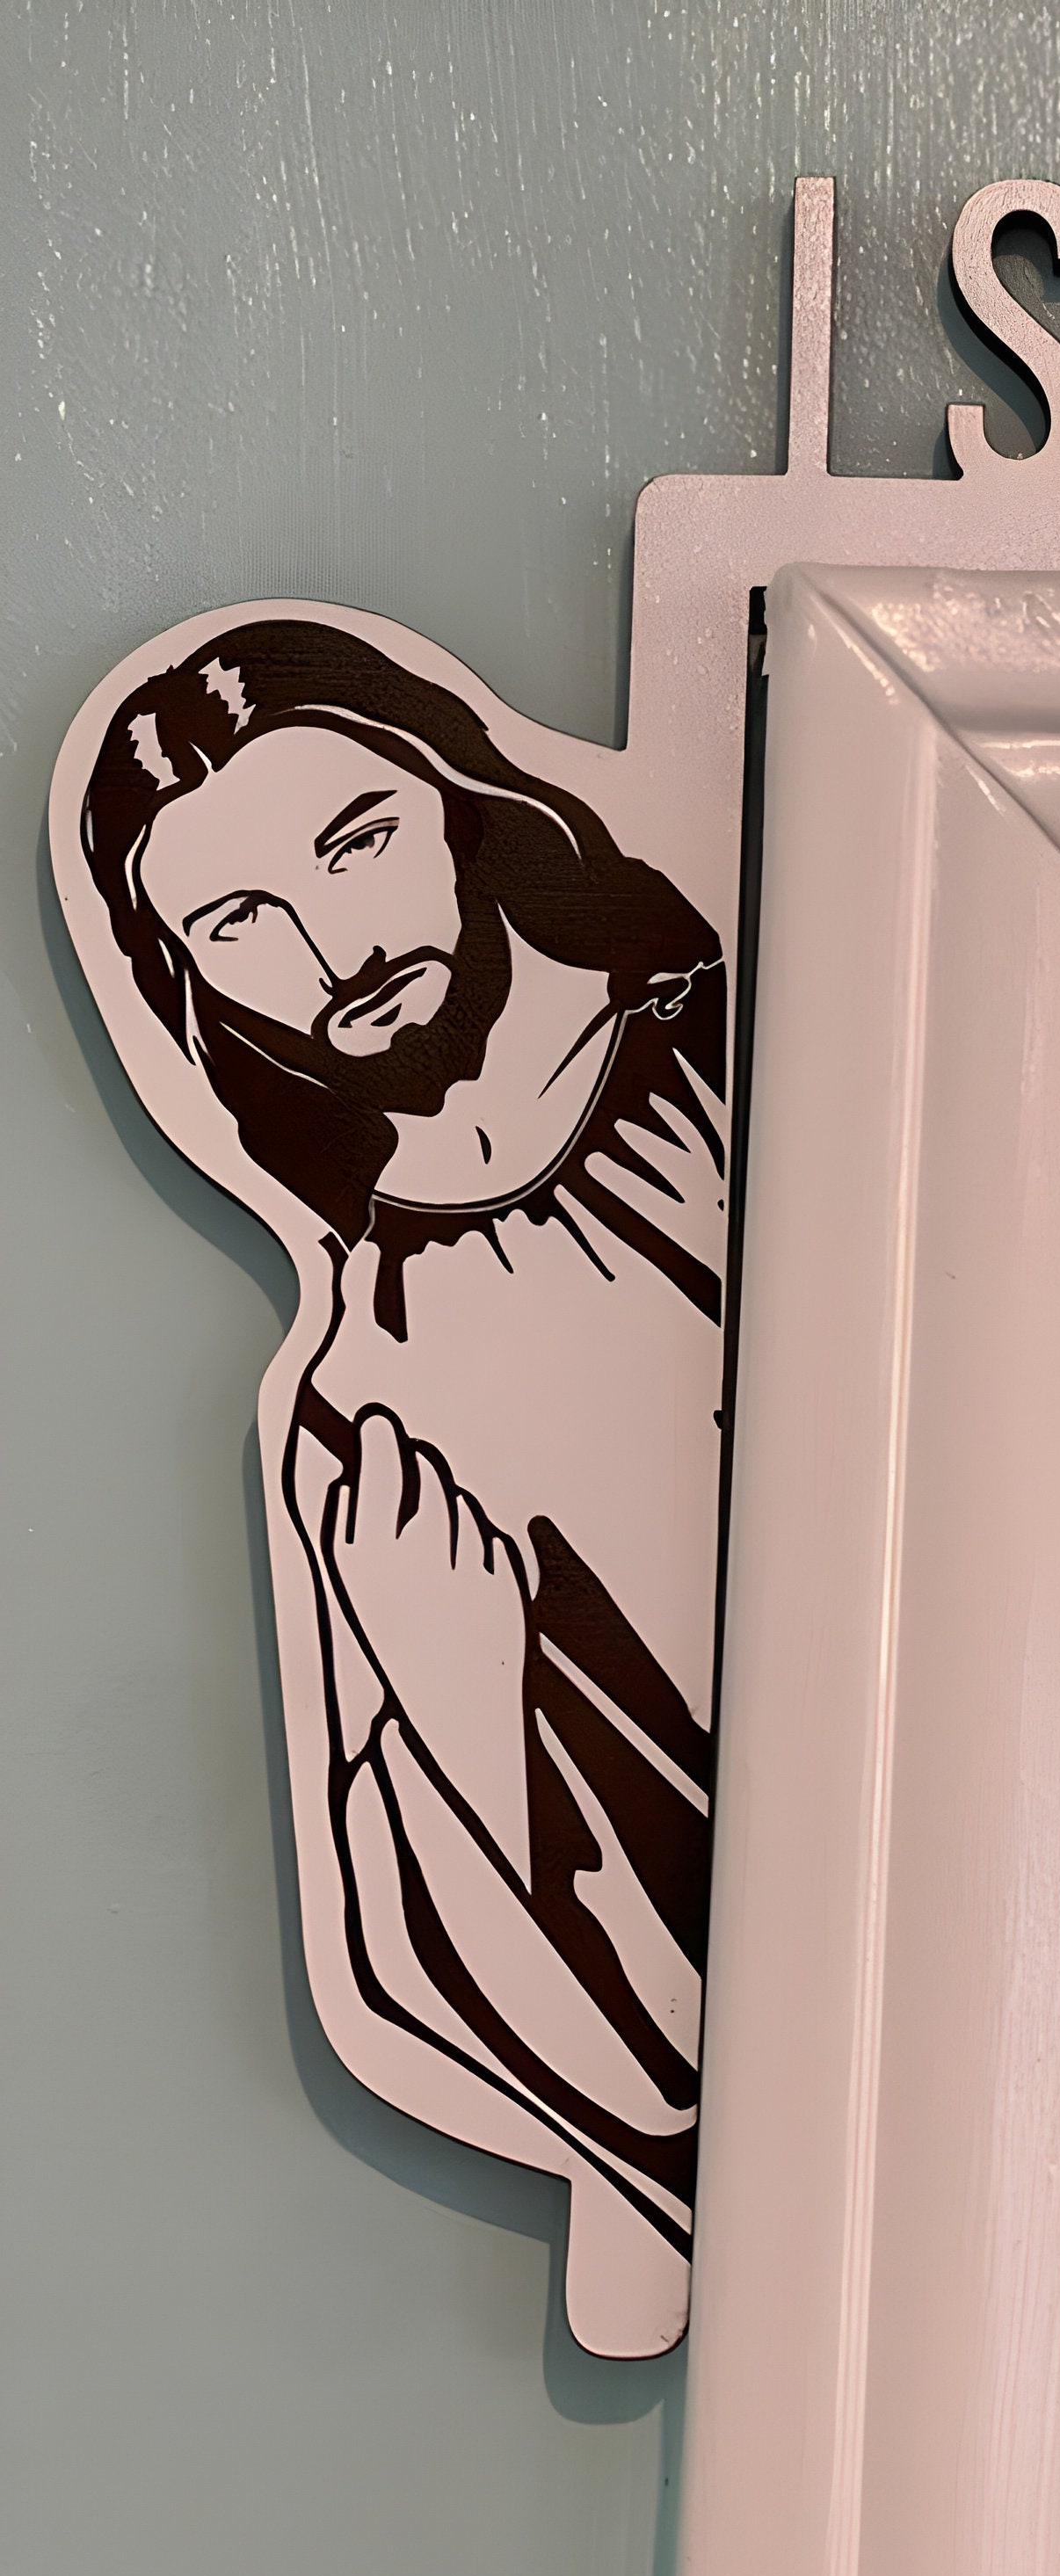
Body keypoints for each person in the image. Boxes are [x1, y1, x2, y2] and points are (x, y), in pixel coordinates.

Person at [75, 618, 725, 2352]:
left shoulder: (749, 1062)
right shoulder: (366, 1403)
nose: (332, 947)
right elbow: (487, 1981)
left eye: (353, 842)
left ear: (459, 798)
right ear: (193, 991)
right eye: (235, 924)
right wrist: (461, 1714)